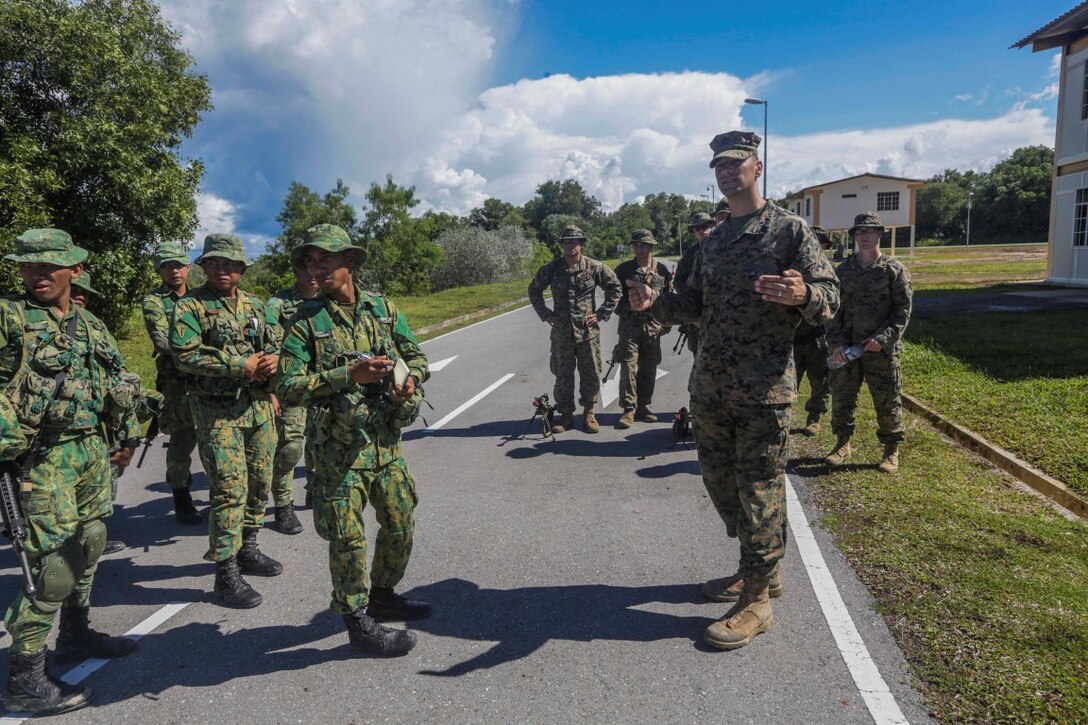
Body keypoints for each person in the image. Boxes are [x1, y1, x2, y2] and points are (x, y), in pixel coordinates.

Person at [627, 132, 839, 651]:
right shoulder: (713, 240)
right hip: (712, 388)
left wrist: (803, 293)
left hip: (764, 390)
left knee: (759, 490)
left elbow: (830, 297)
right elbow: (691, 304)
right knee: (722, 487)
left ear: (757, 166)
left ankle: (758, 602)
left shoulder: (789, 230)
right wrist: (651, 303)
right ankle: (755, 570)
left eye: (735, 163)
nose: (725, 172)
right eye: (718, 165)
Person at [1, 229, 143, 715]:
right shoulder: (9, 317)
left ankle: (76, 635)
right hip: (42, 457)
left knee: (92, 540)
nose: (36, 274)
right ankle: (25, 676)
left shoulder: (91, 325)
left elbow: (115, 382)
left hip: (90, 450)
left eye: (48, 266)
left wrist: (126, 437)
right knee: (53, 567)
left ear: (74, 271)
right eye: (28, 266)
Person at [276, 224, 430, 657]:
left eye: (325, 258)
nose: (315, 267)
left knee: (400, 524)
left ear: (350, 262)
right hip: (336, 453)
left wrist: (409, 380)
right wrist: (348, 375)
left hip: (384, 444)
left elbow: (415, 354)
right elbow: (287, 386)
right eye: (309, 260)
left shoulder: (382, 308)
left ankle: (382, 593)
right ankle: (357, 620)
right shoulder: (305, 322)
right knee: (348, 540)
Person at [169, 234, 282, 609]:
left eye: (230, 264)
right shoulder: (190, 307)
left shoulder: (257, 305)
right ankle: (225, 571)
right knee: (229, 490)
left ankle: (249, 547)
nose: (223, 270)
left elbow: (276, 342)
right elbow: (184, 355)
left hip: (259, 408)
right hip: (217, 413)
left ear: (242, 269)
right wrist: (240, 365)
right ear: (204, 267)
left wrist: (274, 362)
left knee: (260, 481)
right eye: (215, 263)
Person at [824, 212, 913, 473]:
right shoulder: (844, 271)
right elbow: (833, 311)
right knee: (842, 398)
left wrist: (883, 338)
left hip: (880, 351)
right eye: (859, 232)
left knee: (887, 401)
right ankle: (842, 444)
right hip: (848, 351)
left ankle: (891, 450)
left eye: (869, 231)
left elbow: (902, 312)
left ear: (879, 234)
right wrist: (837, 343)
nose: (863, 236)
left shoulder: (893, 271)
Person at [527, 225, 622, 433]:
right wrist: (546, 315)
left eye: (575, 241)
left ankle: (589, 413)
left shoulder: (594, 267)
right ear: (562, 245)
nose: (570, 245)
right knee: (563, 375)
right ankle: (566, 416)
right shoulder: (552, 269)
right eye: (566, 242)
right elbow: (534, 290)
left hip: (588, 333)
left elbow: (615, 287)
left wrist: (602, 313)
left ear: (582, 244)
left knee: (591, 375)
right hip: (562, 334)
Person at [141, 241, 201, 525]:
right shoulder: (154, 301)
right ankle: (181, 495)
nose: (174, 270)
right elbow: (163, 341)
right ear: (159, 270)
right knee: (182, 438)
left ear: (188, 267)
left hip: (209, 381)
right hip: (177, 383)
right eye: (167, 266)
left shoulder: (202, 297)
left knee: (216, 436)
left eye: (178, 264)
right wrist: (208, 357)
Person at [265, 260, 320, 534]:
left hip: (324, 382)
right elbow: (269, 347)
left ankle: (314, 489)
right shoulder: (278, 304)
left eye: (316, 268)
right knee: (290, 448)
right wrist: (272, 390)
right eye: (305, 268)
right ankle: (283, 507)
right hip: (291, 384)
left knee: (321, 440)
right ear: (295, 272)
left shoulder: (328, 300)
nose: (312, 274)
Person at [612, 229, 672, 428]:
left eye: (643, 244)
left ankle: (643, 406)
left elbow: (669, 298)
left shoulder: (661, 270)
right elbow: (614, 299)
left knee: (649, 369)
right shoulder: (623, 271)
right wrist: (629, 306)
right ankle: (628, 409)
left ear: (651, 246)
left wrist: (666, 324)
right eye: (636, 244)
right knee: (628, 367)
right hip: (630, 327)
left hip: (653, 328)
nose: (639, 248)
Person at [794, 226, 834, 435]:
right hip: (793, 336)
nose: (815, 244)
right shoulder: (794, 268)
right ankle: (782, 419)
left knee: (820, 382)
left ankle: (814, 418)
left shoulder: (831, 272)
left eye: (820, 240)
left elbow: (837, 306)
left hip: (819, 337)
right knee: (789, 381)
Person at [674, 211, 717, 355]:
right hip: (697, 314)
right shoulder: (689, 255)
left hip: (720, 313)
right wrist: (691, 305)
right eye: (697, 228)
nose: (701, 230)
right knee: (698, 355)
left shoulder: (723, 248)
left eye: (704, 226)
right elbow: (678, 282)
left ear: (712, 225)